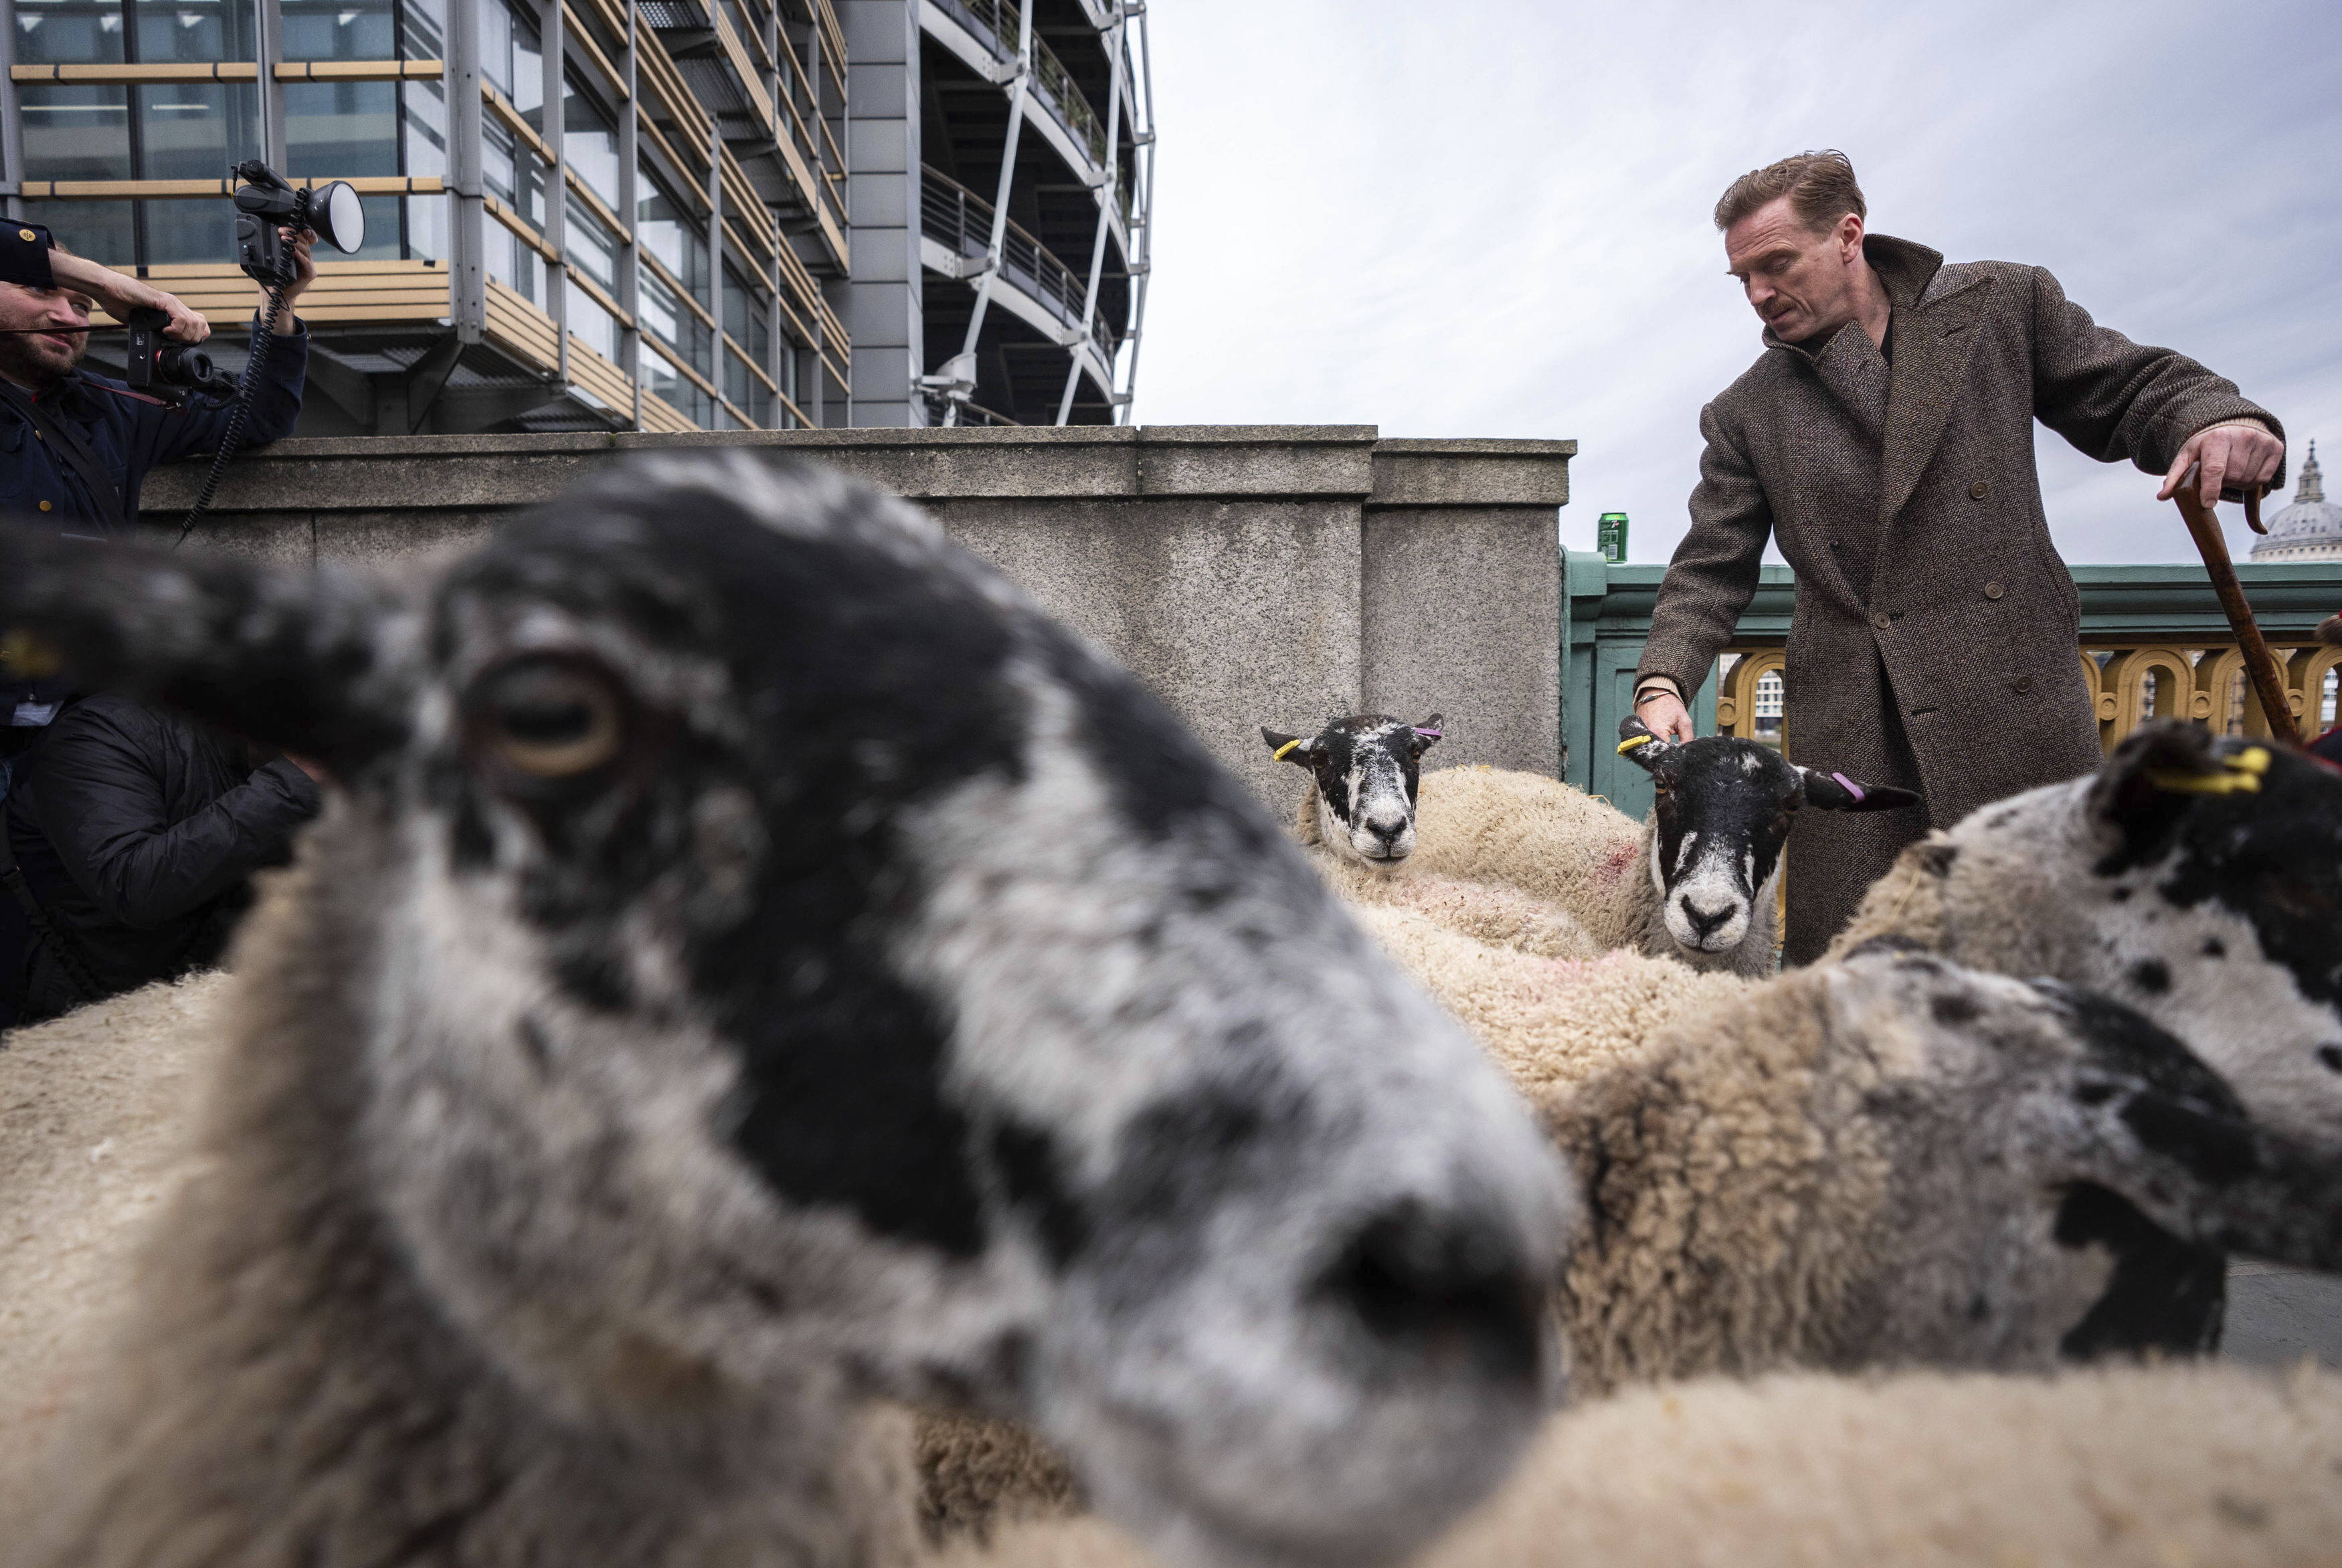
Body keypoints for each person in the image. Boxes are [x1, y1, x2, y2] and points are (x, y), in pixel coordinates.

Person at [1632, 151, 2284, 966]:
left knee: (2055, 969)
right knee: (1863, 984)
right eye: (1742, 278)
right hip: (1860, 741)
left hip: (2011, 710)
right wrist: (1662, 679)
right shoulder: (1744, 412)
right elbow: (1709, 565)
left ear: (1847, 236)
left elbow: (2128, 388)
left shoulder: (1999, 307)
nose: (1759, 294)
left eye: (1775, 264)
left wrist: (2213, 420)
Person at [0, 219, 313, 751]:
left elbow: (258, 417)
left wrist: (277, 298)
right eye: (39, 289)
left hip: (81, 737)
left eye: (83, 305)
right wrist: (109, 284)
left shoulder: (116, 407)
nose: (67, 314)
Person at [0, 694, 323, 1025]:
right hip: (61, 1012)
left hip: (180, 1013)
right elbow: (134, 888)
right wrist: (293, 784)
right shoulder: (105, 731)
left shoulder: (289, 774)